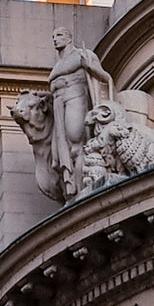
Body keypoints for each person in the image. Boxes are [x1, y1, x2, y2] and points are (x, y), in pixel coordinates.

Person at [48, 27, 114, 198]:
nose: (55, 39)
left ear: (69, 38)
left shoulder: (82, 55)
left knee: (76, 143)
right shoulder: (57, 66)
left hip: (75, 99)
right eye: (54, 36)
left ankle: (79, 188)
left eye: (60, 35)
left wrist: (90, 66)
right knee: (57, 154)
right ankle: (70, 187)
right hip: (58, 106)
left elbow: (105, 78)